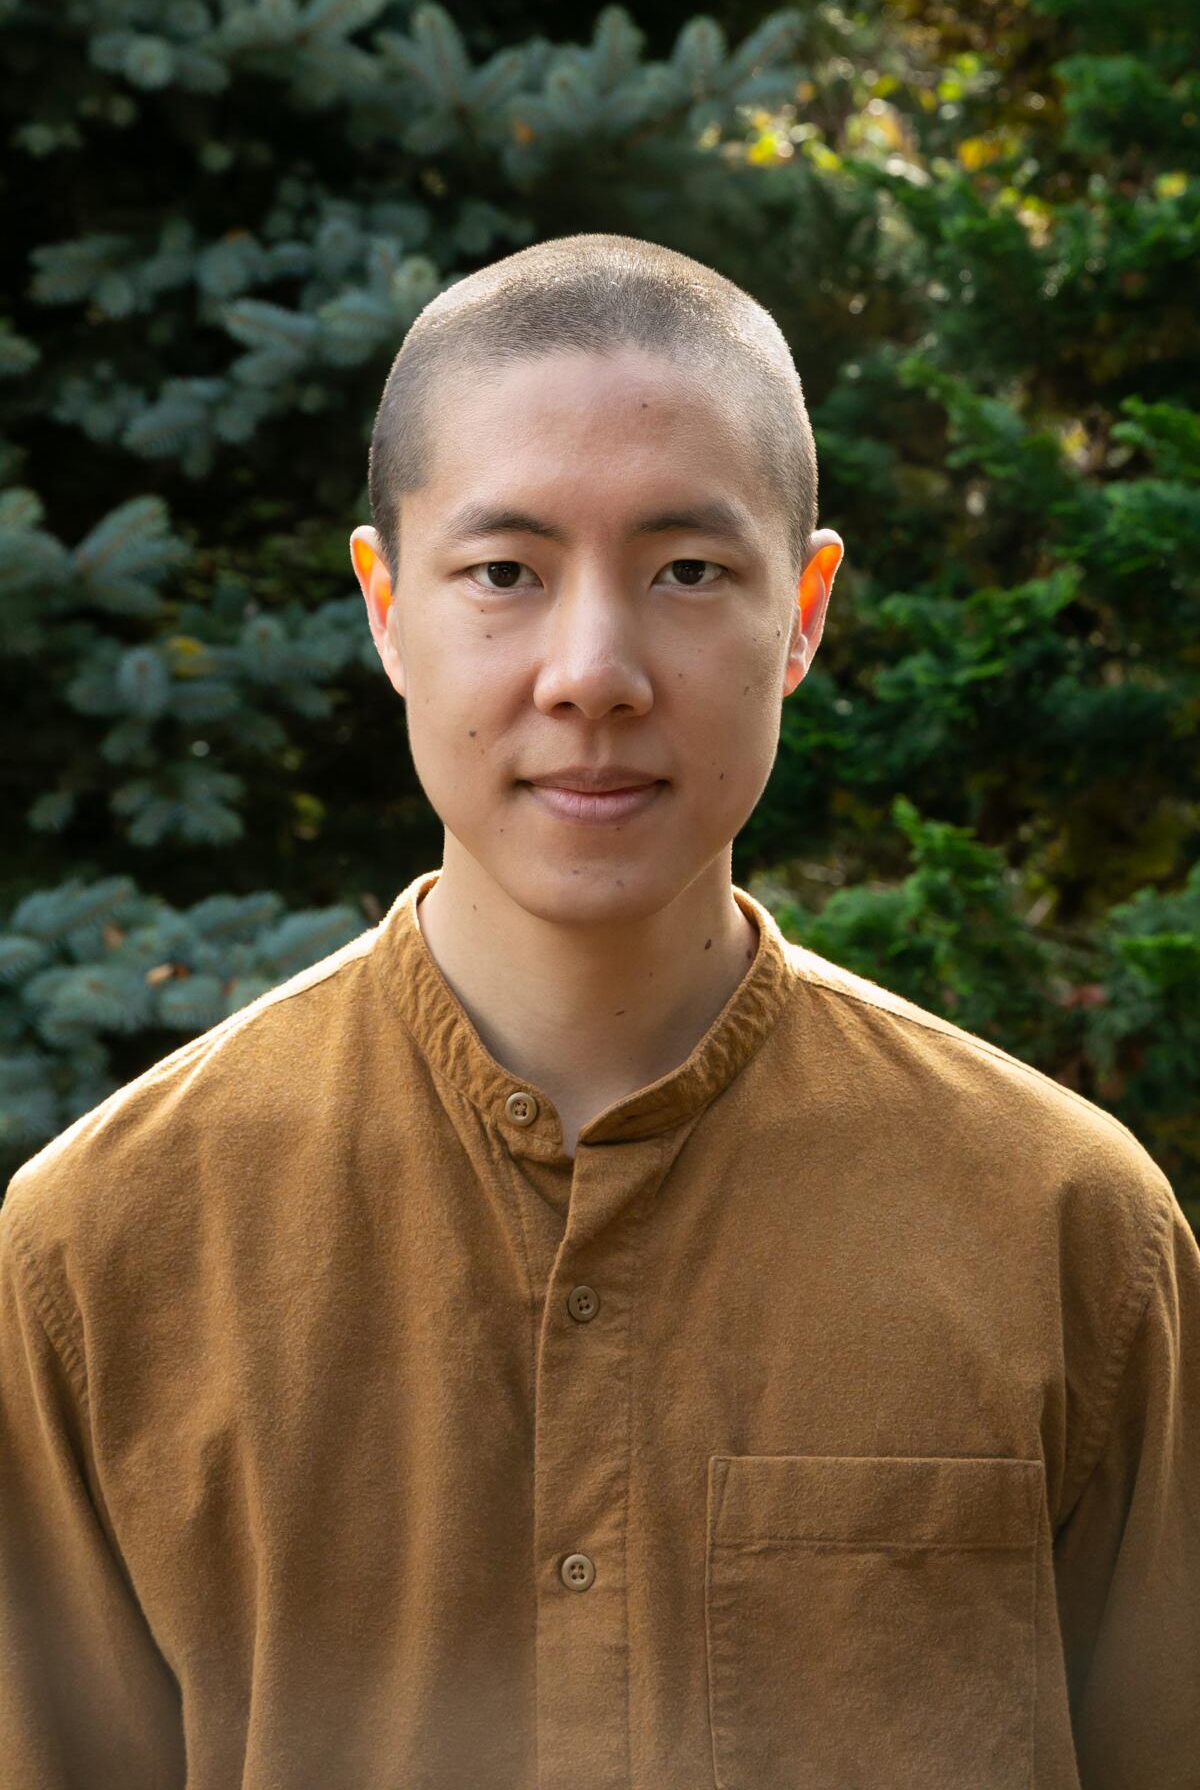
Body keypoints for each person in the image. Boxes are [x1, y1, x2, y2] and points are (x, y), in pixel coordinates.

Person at [1, 232, 1196, 1789]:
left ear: (804, 612)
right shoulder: (104, 1250)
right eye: (504, 572)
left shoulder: (1066, 1230)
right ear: (383, 607)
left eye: (688, 571)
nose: (594, 671)